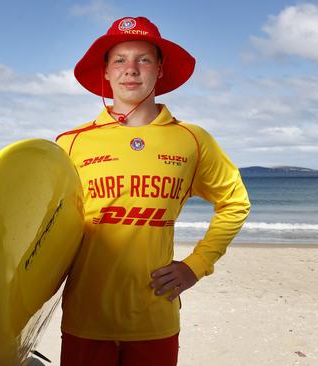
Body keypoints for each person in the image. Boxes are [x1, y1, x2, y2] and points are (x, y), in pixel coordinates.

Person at [54, 16, 251, 365]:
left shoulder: (191, 140)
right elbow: (45, 229)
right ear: (106, 72)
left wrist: (196, 264)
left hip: (154, 317)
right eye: (120, 59)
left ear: (159, 70)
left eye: (143, 59)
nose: (131, 69)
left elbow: (234, 202)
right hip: (85, 317)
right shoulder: (71, 143)